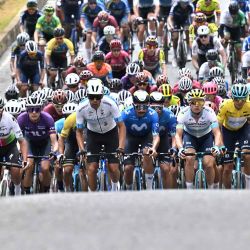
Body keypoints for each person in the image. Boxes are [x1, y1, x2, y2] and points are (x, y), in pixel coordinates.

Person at [76, 78, 126, 191]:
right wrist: (82, 148)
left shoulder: (110, 103)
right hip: (93, 135)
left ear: (102, 96)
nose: (94, 100)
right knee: (92, 168)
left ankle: (114, 186)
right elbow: (79, 131)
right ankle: (93, 194)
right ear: (87, 96)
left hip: (111, 133)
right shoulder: (81, 108)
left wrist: (121, 146)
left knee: (113, 168)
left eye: (98, 97)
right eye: (91, 97)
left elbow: (121, 126)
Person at [175, 89, 222, 189]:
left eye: (200, 102)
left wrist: (217, 147)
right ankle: (189, 188)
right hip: (190, 136)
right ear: (189, 103)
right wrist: (180, 149)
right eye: (193, 102)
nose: (196, 105)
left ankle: (210, 189)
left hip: (206, 137)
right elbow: (178, 135)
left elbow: (217, 133)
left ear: (203, 103)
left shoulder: (209, 112)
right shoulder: (183, 113)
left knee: (209, 164)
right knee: (189, 158)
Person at [17, 96, 58, 193]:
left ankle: (46, 190)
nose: (34, 112)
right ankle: (26, 192)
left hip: (45, 143)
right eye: (31, 109)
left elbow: (54, 141)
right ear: (27, 110)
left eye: (37, 109)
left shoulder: (48, 118)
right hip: (29, 143)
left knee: (45, 168)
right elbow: (19, 139)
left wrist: (54, 151)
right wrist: (19, 150)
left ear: (41, 109)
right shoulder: (21, 119)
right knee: (29, 165)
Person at [122, 90, 160, 190]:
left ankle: (149, 187)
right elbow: (119, 133)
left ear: (149, 105)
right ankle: (129, 188)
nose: (142, 110)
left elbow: (156, 136)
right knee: (128, 168)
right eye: (138, 107)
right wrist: (120, 147)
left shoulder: (153, 114)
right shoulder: (126, 114)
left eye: (145, 107)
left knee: (147, 154)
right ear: (133, 105)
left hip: (146, 137)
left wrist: (154, 148)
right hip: (129, 138)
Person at [217, 84, 250, 189]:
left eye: (242, 100)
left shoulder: (249, 105)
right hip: (227, 132)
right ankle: (228, 192)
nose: (240, 102)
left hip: (243, 130)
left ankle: (248, 186)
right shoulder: (225, 105)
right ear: (232, 98)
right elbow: (218, 126)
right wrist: (220, 143)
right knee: (227, 167)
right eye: (237, 99)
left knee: (247, 155)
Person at [0, 97, 28, 195]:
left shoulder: (9, 118)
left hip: (10, 146)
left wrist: (24, 160)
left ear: (2, 109)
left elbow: (22, 141)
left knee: (15, 169)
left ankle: (17, 190)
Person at [149, 91, 178, 188]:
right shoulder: (145, 113)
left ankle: (167, 195)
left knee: (166, 169)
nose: (157, 111)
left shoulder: (169, 115)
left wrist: (173, 148)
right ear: (149, 105)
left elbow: (174, 136)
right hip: (147, 139)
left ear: (164, 105)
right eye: (153, 108)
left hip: (162, 140)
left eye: (159, 108)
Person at [220, 1, 246, 72]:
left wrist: (242, 37)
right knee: (226, 37)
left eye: (235, 12)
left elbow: (243, 27)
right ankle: (225, 53)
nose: (234, 14)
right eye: (232, 12)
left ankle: (239, 66)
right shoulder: (225, 13)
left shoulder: (241, 14)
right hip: (227, 28)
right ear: (229, 10)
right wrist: (222, 38)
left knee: (239, 49)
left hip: (237, 30)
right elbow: (221, 28)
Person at [168, 0, 194, 67]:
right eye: (183, 3)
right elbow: (169, 18)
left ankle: (188, 52)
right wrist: (171, 26)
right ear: (179, 2)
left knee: (188, 31)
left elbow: (193, 18)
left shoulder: (190, 6)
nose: (184, 5)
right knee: (175, 37)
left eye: (186, 3)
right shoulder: (175, 6)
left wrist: (193, 25)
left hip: (185, 20)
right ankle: (174, 56)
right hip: (176, 21)